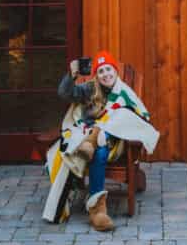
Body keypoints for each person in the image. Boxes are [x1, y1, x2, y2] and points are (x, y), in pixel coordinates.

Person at [41, 51, 158, 230]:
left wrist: (110, 123)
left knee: (119, 116)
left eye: (109, 69)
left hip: (116, 142)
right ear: (96, 75)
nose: (106, 74)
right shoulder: (89, 89)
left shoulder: (124, 93)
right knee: (99, 150)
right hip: (87, 140)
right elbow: (65, 93)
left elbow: (139, 117)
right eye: (101, 71)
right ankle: (98, 211)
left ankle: (96, 139)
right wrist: (71, 74)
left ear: (115, 71)